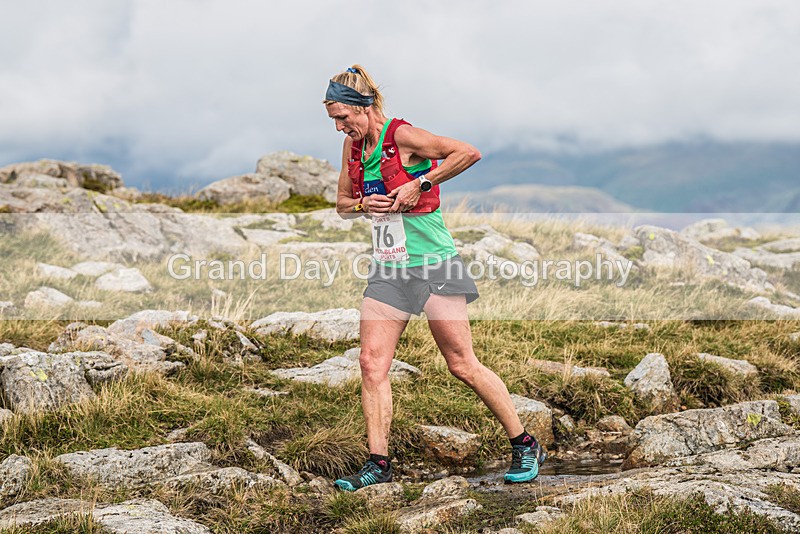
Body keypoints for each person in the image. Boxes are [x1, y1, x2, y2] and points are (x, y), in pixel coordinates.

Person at [323, 65, 546, 491]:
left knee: (461, 363)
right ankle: (379, 465)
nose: (339, 127)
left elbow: (467, 152)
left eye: (344, 117)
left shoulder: (402, 136)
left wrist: (418, 183)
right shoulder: (353, 149)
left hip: (435, 264)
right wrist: (363, 207)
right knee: (371, 364)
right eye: (333, 120)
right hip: (390, 269)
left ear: (364, 107)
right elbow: (341, 203)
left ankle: (525, 443)